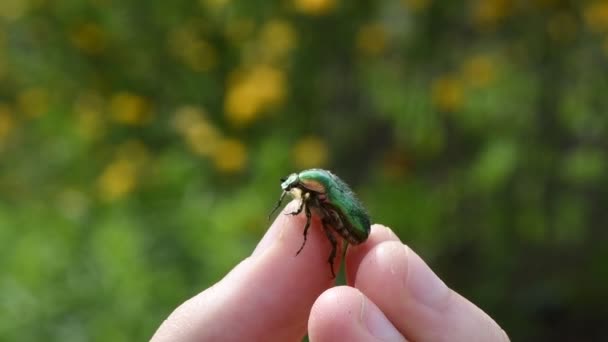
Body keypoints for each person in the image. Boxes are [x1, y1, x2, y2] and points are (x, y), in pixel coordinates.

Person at [151, 201, 509, 341]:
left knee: (340, 245)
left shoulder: (317, 198)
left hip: (355, 230)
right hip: (355, 234)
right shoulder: (310, 199)